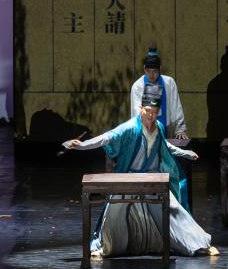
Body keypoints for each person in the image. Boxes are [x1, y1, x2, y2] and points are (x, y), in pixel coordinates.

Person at [64, 89, 219, 258]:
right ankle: (104, 247)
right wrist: (83, 145)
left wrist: (184, 153)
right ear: (141, 108)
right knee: (114, 212)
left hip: (152, 180)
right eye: (148, 111)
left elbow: (164, 146)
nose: (151, 116)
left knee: (174, 211)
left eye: (154, 112)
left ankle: (200, 245)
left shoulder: (159, 127)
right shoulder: (130, 128)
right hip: (129, 179)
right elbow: (107, 138)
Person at [129, 47, 188, 139]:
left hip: (166, 130)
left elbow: (176, 107)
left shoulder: (169, 83)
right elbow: (136, 112)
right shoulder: (138, 86)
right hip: (146, 133)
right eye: (148, 71)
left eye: (154, 71)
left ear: (160, 69)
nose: (151, 75)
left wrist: (180, 129)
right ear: (144, 69)